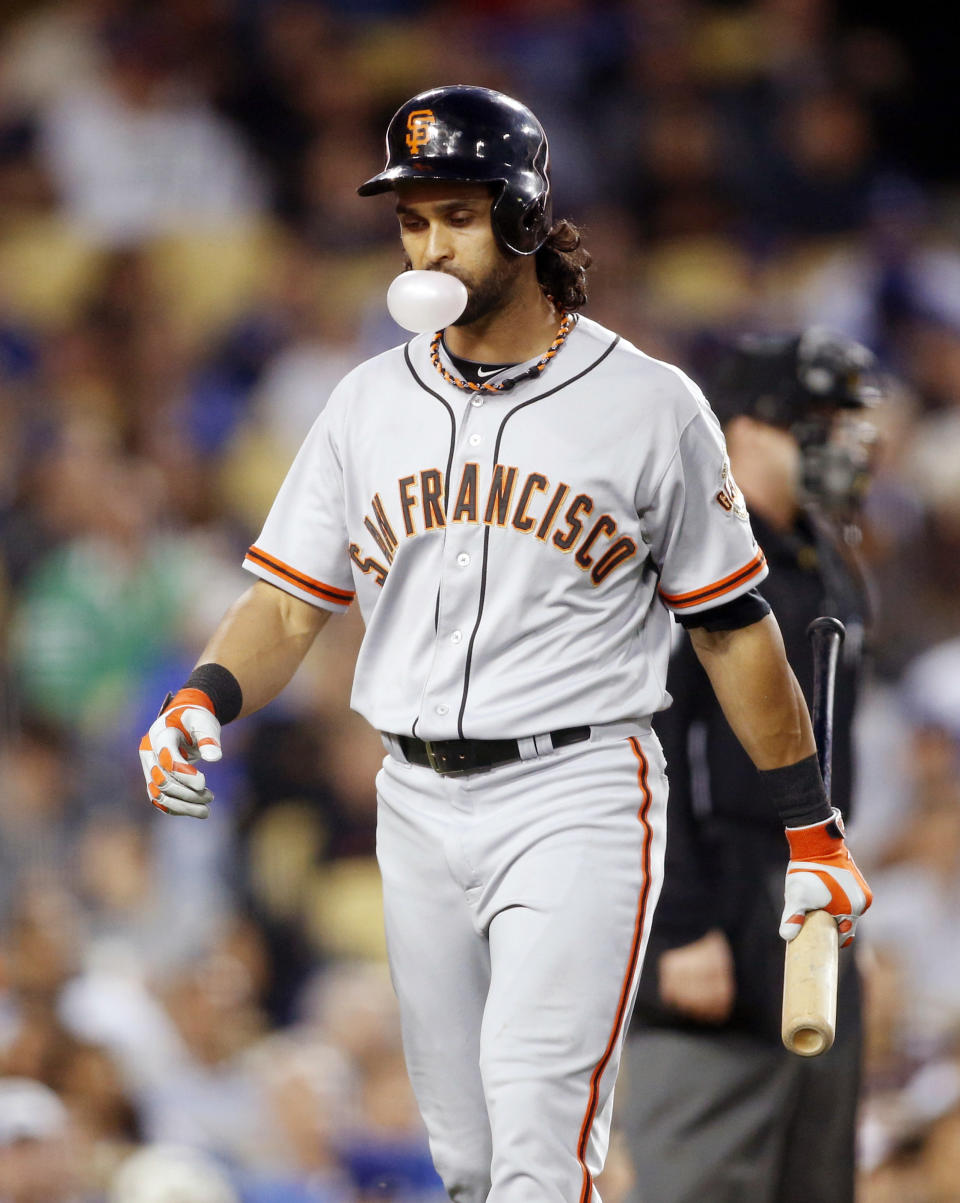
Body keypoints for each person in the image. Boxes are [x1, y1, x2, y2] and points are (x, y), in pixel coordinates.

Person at [138, 87, 871, 1203]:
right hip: (416, 800)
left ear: (525, 220)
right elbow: (288, 605)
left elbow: (733, 632)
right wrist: (204, 696)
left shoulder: (648, 404)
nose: (427, 244)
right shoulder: (365, 402)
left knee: (538, 1139)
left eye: (454, 216)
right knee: (471, 1162)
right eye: (411, 219)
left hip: (576, 790)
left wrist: (810, 827)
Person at [620, 328, 879, 1203]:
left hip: (810, 885)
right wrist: (678, 923)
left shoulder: (825, 555)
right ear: (745, 428)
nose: (842, 437)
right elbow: (647, 741)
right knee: (700, 1169)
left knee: (815, 1173)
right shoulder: (689, 546)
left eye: (847, 417)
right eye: (817, 415)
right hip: (718, 903)